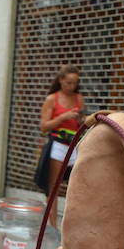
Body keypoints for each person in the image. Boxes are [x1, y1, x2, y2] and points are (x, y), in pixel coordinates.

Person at [36, 64, 83, 204]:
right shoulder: (52, 99)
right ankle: (52, 224)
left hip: (75, 144)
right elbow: (43, 127)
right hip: (58, 144)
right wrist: (63, 117)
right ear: (61, 80)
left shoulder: (79, 98)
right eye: (69, 82)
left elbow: (80, 122)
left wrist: (82, 120)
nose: (72, 86)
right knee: (54, 187)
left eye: (75, 83)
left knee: (76, 186)